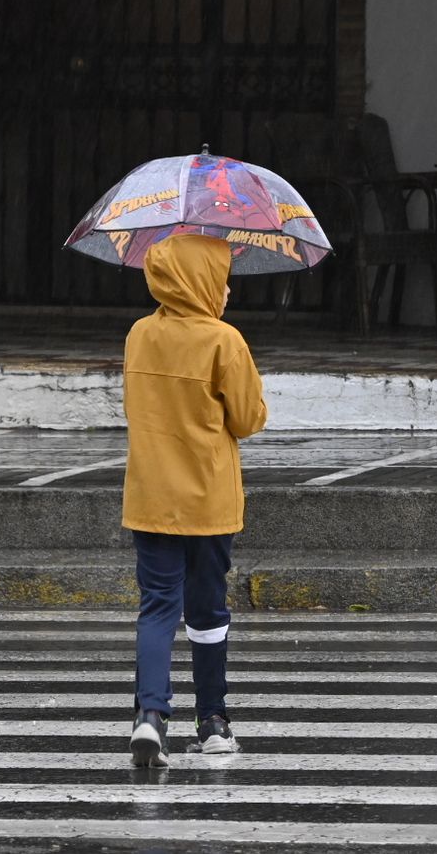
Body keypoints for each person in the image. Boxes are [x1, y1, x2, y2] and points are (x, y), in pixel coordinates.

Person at [121, 233, 267, 767]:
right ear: (199, 280)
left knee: (157, 608)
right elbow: (249, 420)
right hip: (208, 501)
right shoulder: (224, 341)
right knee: (207, 612)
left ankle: (150, 717)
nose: (226, 289)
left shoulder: (139, 335)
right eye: (220, 277)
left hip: (151, 497)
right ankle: (213, 721)